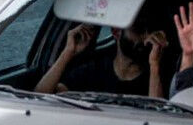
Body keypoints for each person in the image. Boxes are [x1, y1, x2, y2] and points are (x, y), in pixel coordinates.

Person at [35, 17, 168, 98]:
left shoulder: (157, 77)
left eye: (150, 33)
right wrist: (68, 52)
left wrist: (154, 66)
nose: (146, 38)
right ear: (116, 32)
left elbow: (159, 119)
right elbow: (40, 97)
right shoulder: (93, 71)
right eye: (138, 30)